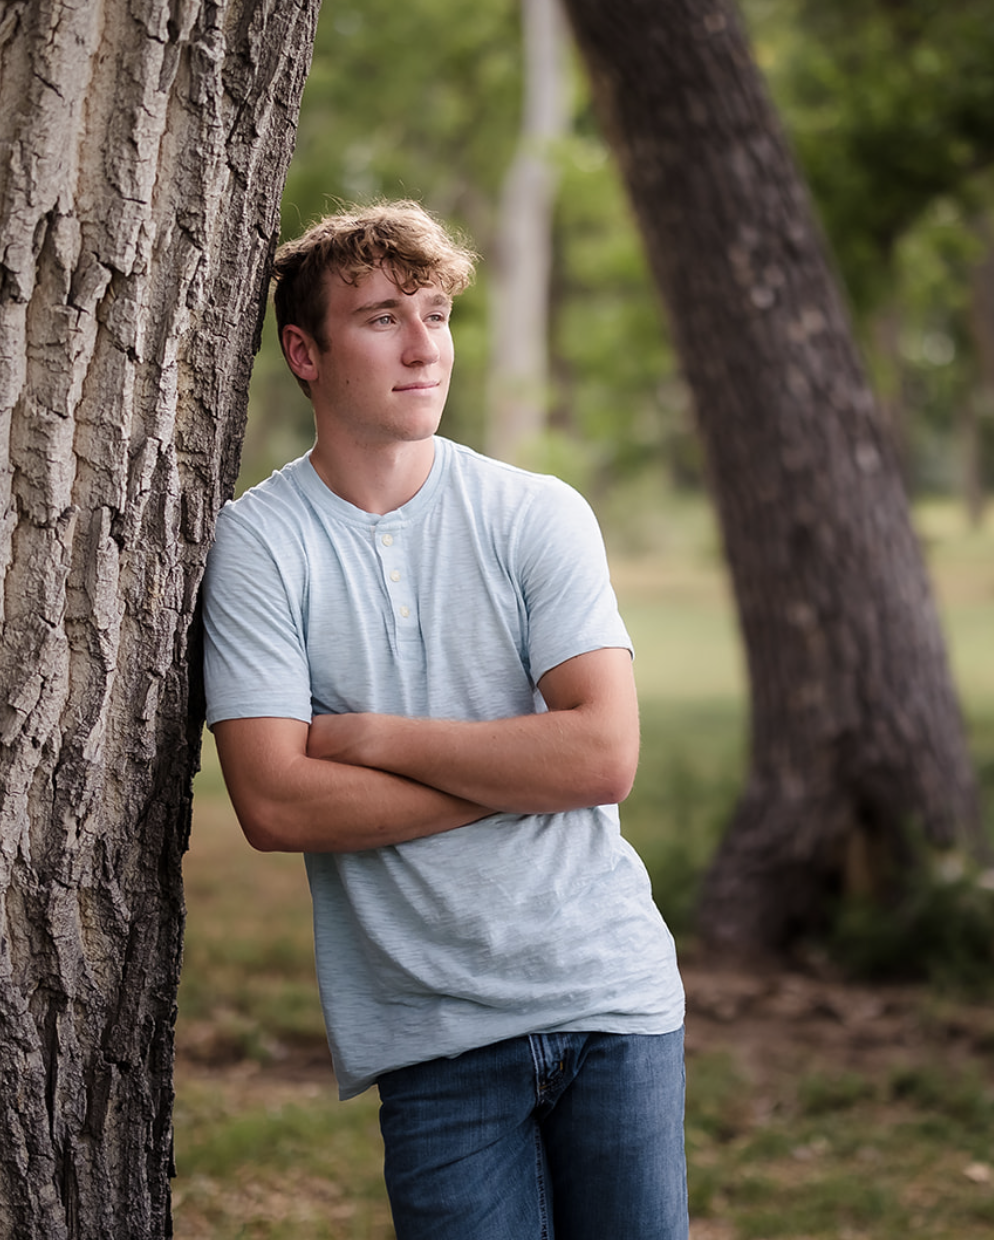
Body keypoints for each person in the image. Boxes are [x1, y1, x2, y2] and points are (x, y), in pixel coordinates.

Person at [199, 200, 687, 1239]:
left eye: (436, 313)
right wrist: (517, 768)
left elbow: (601, 755)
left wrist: (378, 741)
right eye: (381, 318)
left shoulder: (534, 513)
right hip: (430, 1032)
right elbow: (277, 801)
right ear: (304, 351)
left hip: (608, 999)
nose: (424, 347)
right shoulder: (257, 547)